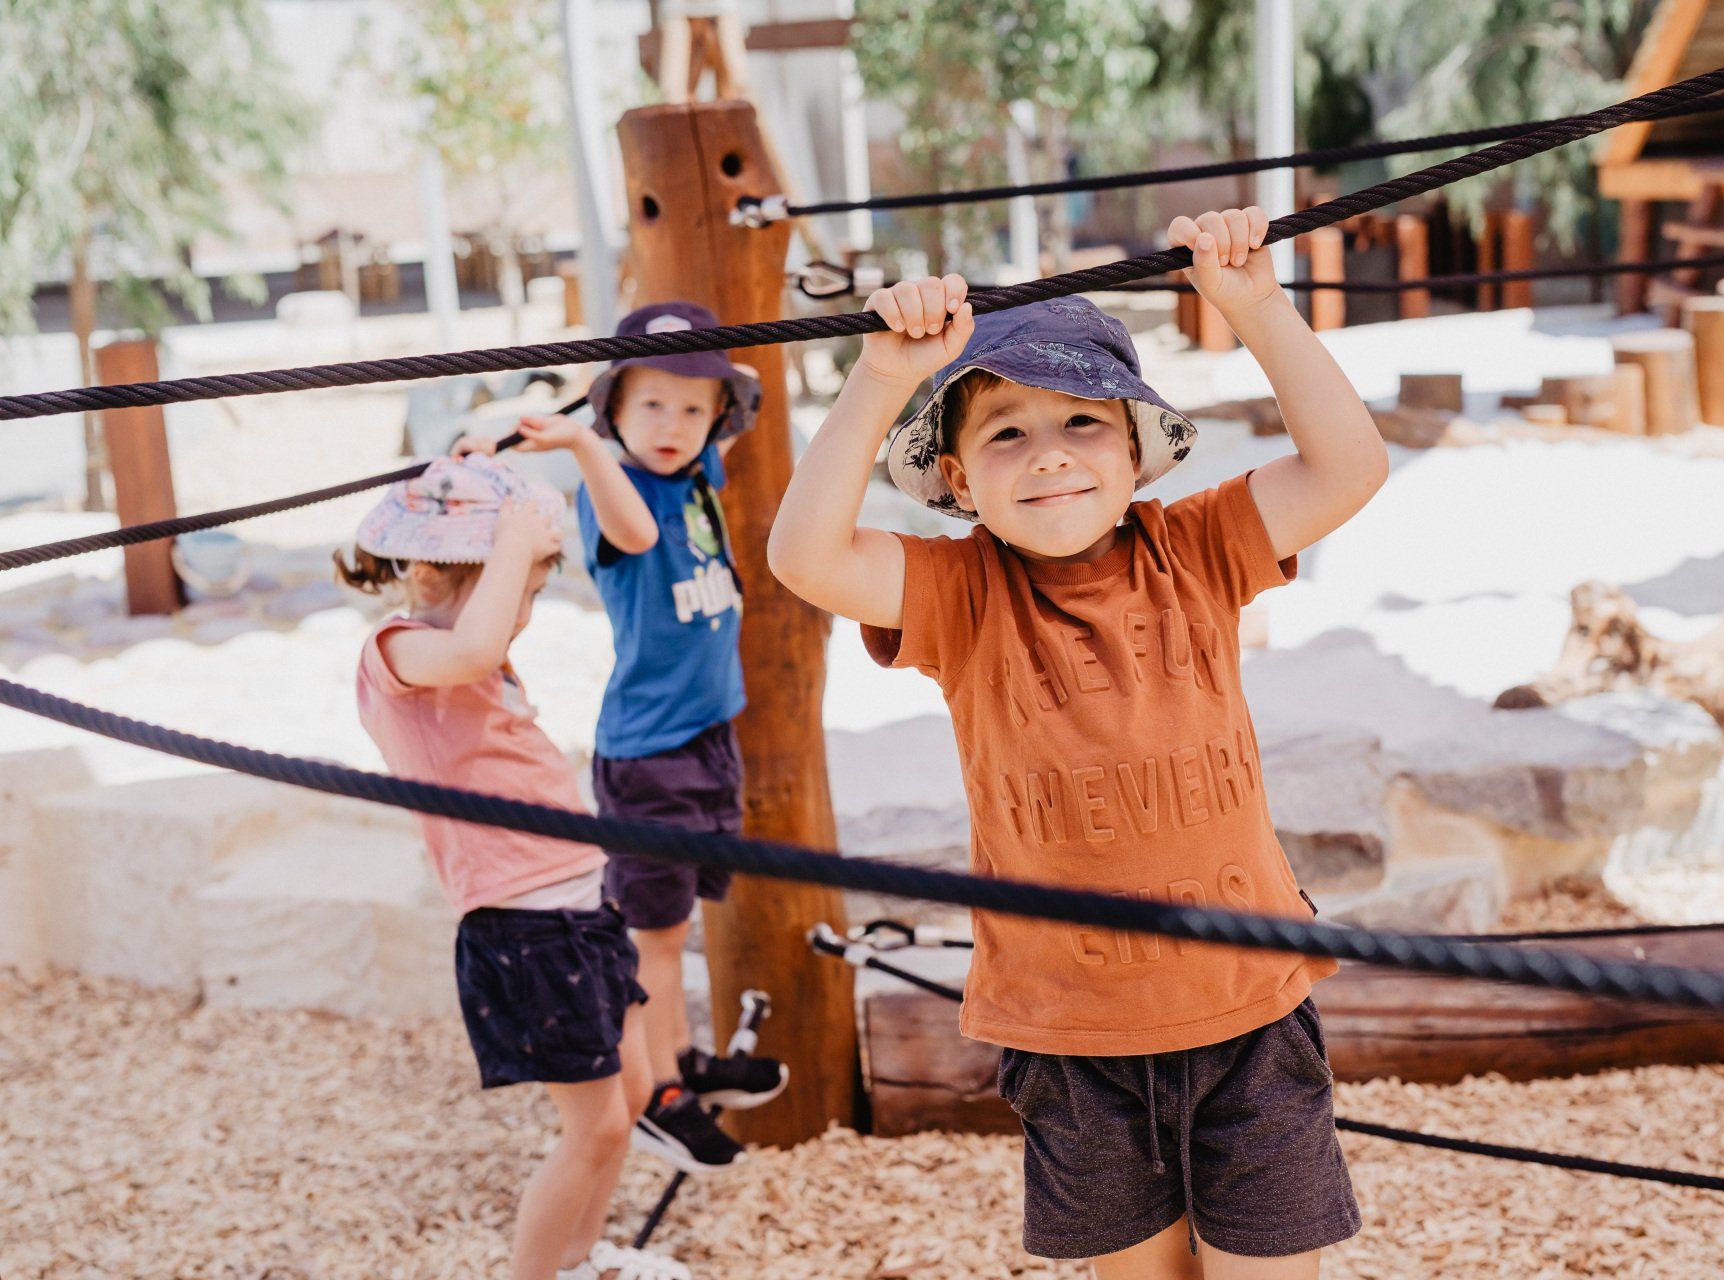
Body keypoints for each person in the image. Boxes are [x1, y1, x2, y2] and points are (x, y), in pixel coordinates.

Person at [767, 208, 1387, 1278]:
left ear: (1139, 451)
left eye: (1083, 424)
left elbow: (1349, 469)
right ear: (958, 478)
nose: (1047, 457)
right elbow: (806, 555)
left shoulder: (1196, 546)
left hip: (1249, 1008)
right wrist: (878, 378)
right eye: (1005, 431)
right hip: (1073, 1032)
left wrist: (1257, 307)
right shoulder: (963, 591)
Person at [339, 455, 690, 1280]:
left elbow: (483, 641)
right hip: (525, 925)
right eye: (519, 590)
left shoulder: (472, 648)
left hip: (584, 908)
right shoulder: (398, 651)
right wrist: (508, 546)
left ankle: (580, 1258)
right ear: (426, 573)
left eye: (530, 592)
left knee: (630, 1096)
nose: (522, 613)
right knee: (595, 1126)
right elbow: (471, 644)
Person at [459, 301, 787, 1176]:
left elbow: (722, 419)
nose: (672, 426)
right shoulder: (616, 496)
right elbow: (637, 533)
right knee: (655, 934)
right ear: (612, 413)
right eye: (650, 406)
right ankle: (658, 1094)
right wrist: (575, 446)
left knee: (677, 926)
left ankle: (682, 1064)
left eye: (691, 408)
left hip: (710, 739)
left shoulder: (699, 470)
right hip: (650, 756)